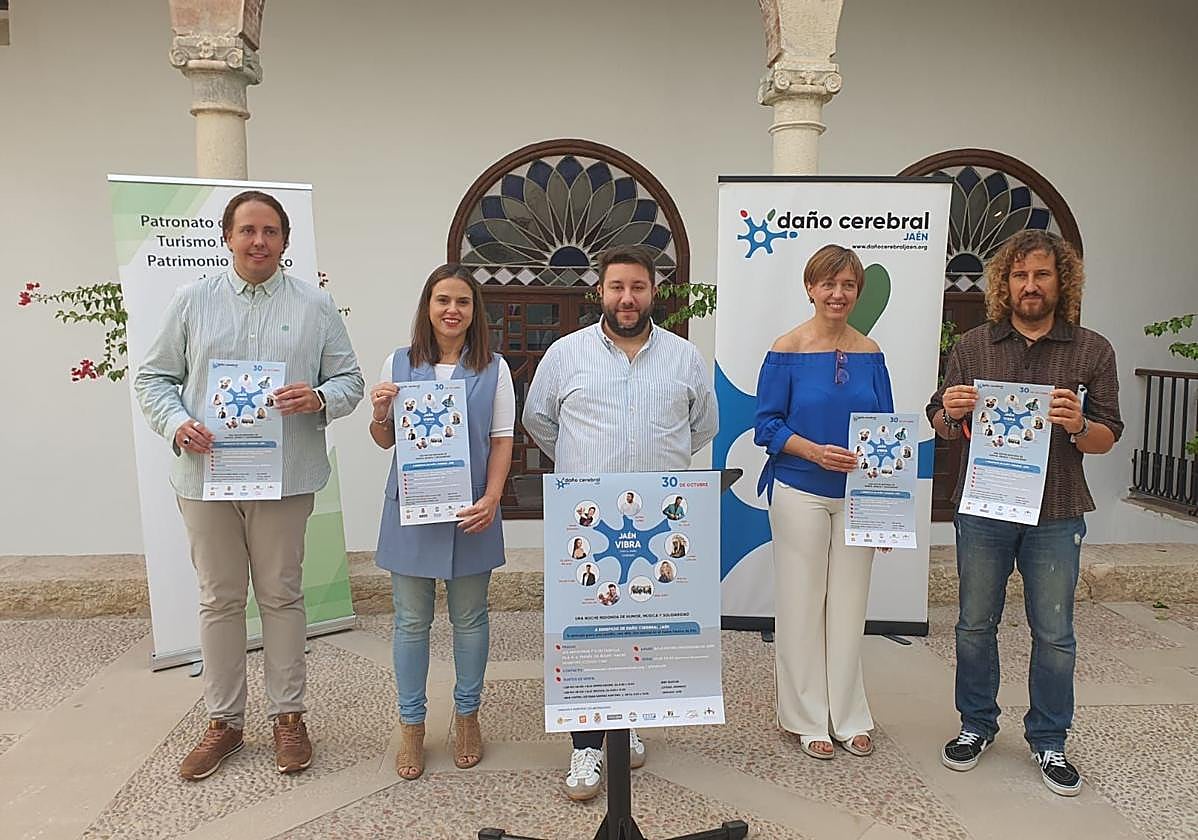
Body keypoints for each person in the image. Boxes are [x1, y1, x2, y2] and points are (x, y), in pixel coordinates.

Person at [134, 190, 364, 781]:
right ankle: (224, 722)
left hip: (285, 480)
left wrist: (318, 396)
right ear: (228, 237)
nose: (258, 241)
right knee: (220, 598)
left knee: (283, 596)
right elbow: (154, 377)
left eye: (270, 231)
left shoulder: (315, 305)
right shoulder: (192, 302)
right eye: (247, 231)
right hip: (207, 479)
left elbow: (350, 379)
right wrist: (177, 422)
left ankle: (288, 716)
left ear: (285, 241)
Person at [927, 230, 1122, 797]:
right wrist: (949, 409)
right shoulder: (973, 345)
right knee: (973, 624)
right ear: (1003, 284)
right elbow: (942, 421)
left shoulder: (1092, 349)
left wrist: (1079, 425)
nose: (1030, 286)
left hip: (1057, 511)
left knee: (1055, 632)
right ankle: (975, 725)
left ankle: (1050, 738)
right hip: (984, 506)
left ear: (1062, 281)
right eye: (1019, 276)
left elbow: (1107, 437)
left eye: (1041, 275)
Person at [523, 243, 718, 801]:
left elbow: (701, 426)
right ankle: (586, 747)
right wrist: (585, 472)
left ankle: (626, 726)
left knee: (645, 626)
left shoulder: (685, 358)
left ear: (653, 291)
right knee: (588, 632)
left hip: (660, 524)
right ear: (600, 292)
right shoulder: (565, 355)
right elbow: (539, 421)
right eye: (616, 288)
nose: (627, 298)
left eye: (637, 287)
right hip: (588, 524)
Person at [370, 264, 515, 781]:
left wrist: (493, 497)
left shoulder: (495, 369)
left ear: (476, 311)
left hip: (472, 511)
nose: (452, 310)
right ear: (427, 307)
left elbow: (503, 440)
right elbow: (384, 440)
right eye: (442, 300)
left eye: (463, 301)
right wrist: (381, 412)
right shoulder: (398, 362)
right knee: (411, 622)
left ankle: (467, 715)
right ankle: (412, 725)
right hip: (411, 510)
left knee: (471, 619)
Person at [753, 244, 894, 762]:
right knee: (801, 603)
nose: (838, 294)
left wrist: (885, 516)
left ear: (858, 292)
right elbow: (766, 425)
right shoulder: (786, 349)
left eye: (848, 285)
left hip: (858, 499)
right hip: (798, 491)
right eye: (828, 284)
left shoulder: (872, 352)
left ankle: (849, 715)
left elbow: (887, 434)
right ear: (810, 288)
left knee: (851, 607)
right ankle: (807, 717)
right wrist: (813, 451)